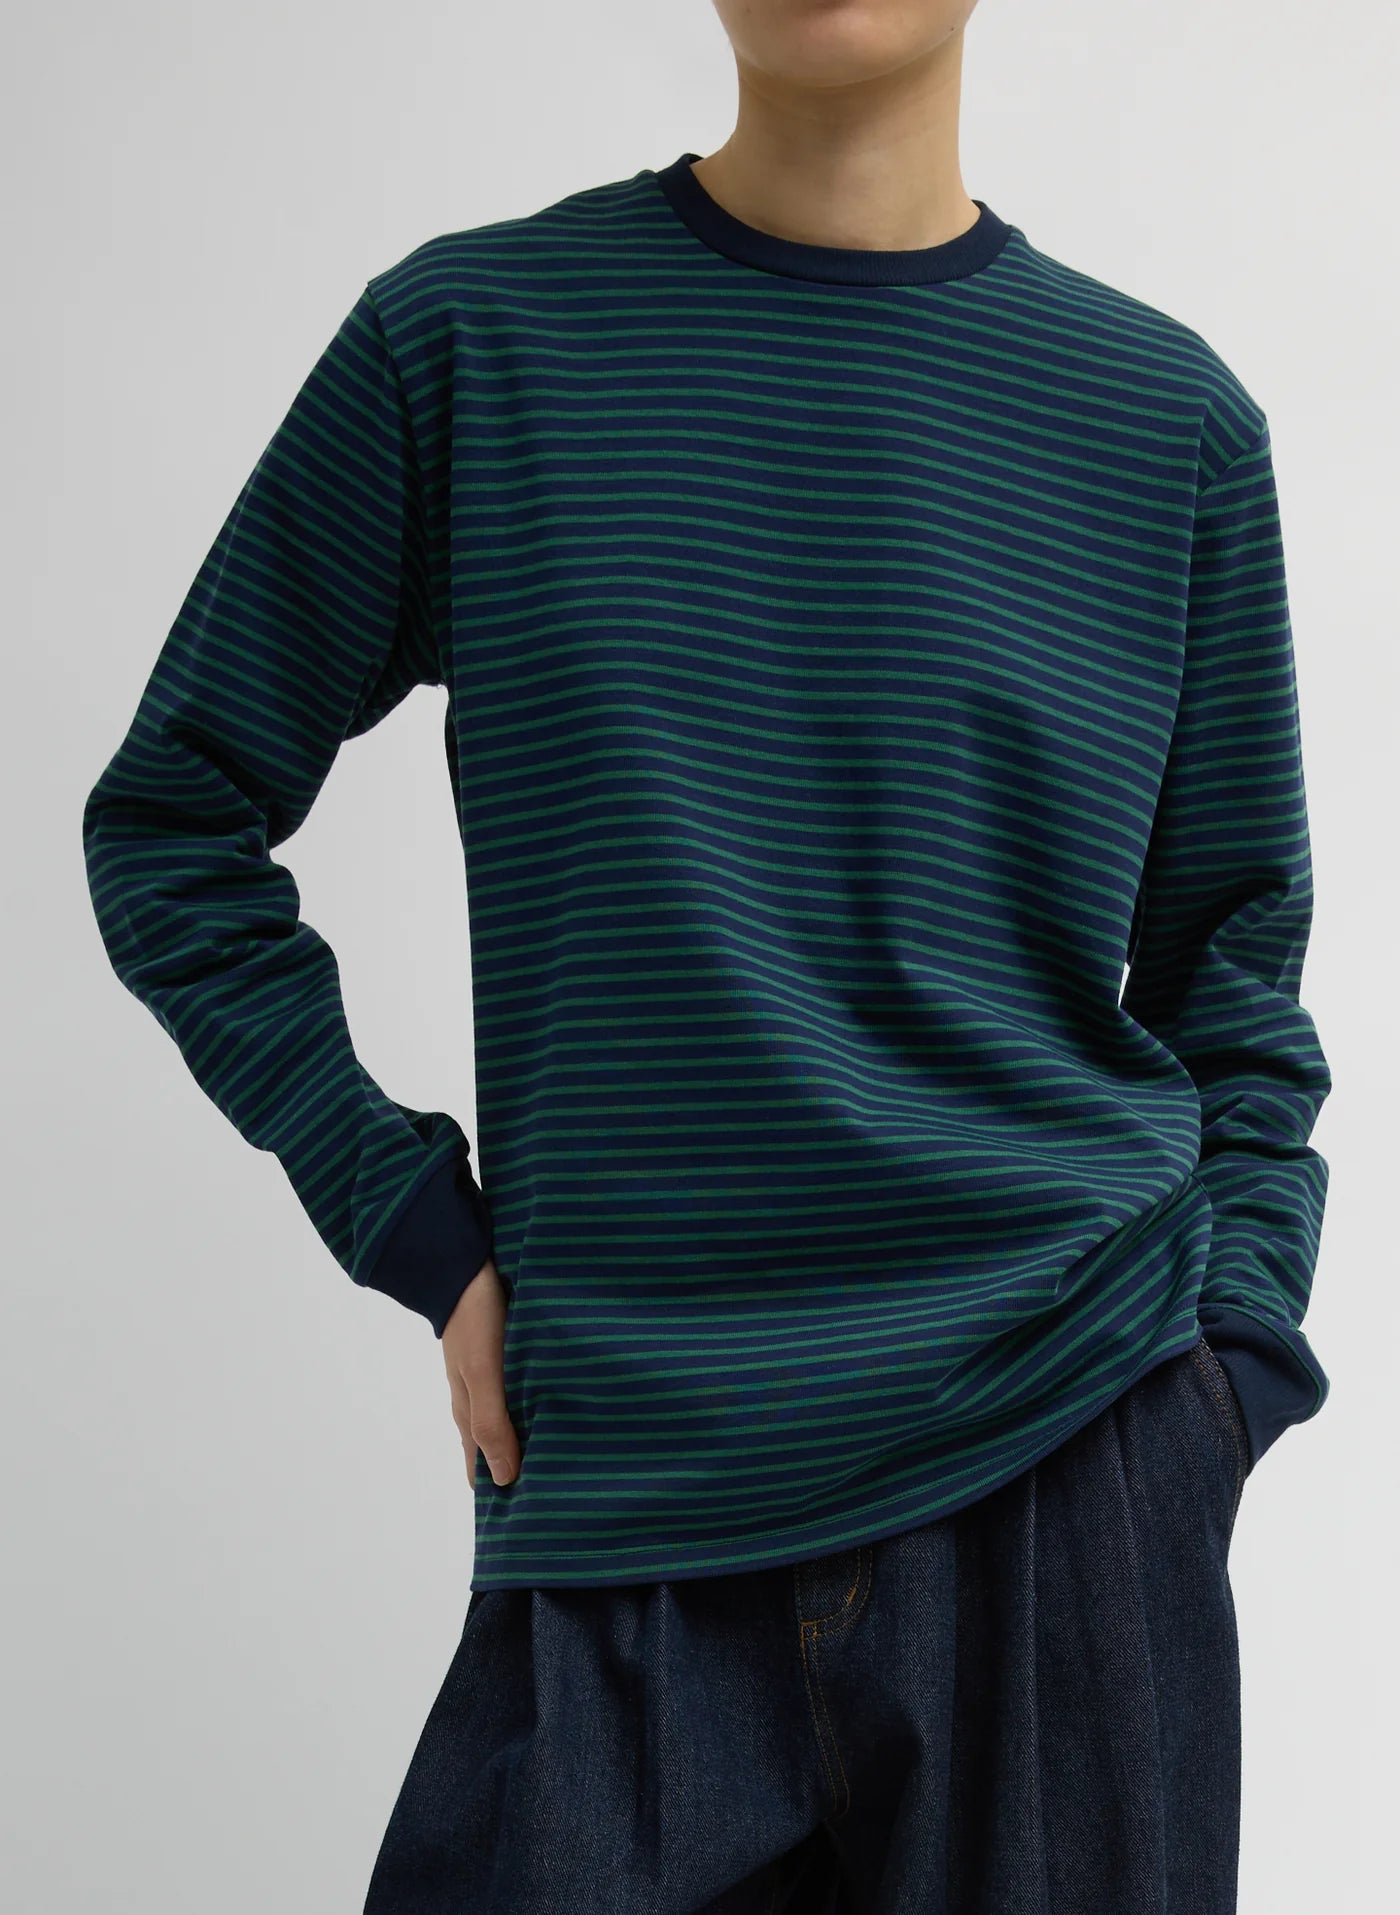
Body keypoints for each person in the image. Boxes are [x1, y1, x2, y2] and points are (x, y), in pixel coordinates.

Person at [82, 2, 1333, 1908]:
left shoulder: (1168, 427)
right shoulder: (471, 346)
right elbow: (175, 820)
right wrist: (412, 1221)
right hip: (629, 1493)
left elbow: (1235, 987)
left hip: (1071, 1470)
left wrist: (1219, 1384)